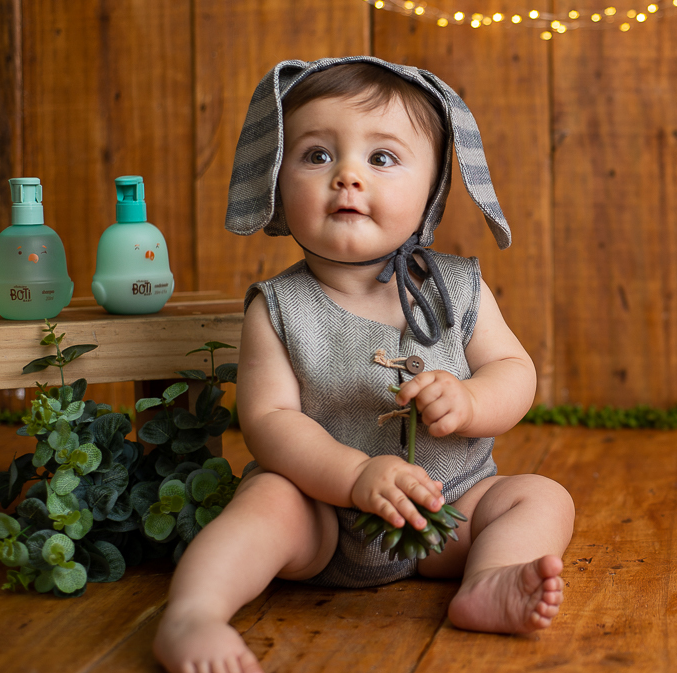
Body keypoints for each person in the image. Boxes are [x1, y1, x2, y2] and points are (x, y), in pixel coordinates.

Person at [154, 57, 575, 673]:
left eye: (381, 159)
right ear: (276, 180)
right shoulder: (279, 307)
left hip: (448, 510)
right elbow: (268, 421)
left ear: (431, 187)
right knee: (266, 502)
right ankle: (193, 613)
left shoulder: (456, 287)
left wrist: (471, 400)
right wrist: (354, 476)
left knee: (539, 497)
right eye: (317, 155)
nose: (347, 176)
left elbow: (515, 370)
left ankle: (489, 581)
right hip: (324, 520)